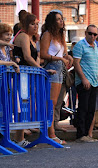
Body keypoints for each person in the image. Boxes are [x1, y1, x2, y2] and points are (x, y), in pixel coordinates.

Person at [13, 12, 56, 146]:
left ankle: (20, 138)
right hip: (22, 75)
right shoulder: (23, 36)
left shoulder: (32, 38)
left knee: (26, 105)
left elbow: (36, 57)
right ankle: (18, 139)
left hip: (29, 75)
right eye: (32, 24)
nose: (36, 27)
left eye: (37, 24)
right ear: (25, 25)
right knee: (22, 105)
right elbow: (27, 57)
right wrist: (41, 69)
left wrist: (39, 67)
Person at [40, 10, 73, 144]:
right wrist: (59, 58)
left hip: (60, 68)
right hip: (52, 68)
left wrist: (66, 56)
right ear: (53, 21)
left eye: (61, 19)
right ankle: (51, 134)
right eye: (58, 19)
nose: (61, 21)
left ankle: (51, 133)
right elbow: (42, 54)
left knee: (55, 102)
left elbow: (62, 52)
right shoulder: (47, 34)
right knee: (51, 103)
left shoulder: (60, 36)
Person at [73, 25, 98, 142]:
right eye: (90, 33)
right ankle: (80, 134)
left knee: (91, 109)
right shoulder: (80, 45)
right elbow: (76, 63)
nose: (93, 36)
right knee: (83, 108)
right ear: (85, 33)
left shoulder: (95, 46)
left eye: (95, 34)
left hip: (93, 81)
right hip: (84, 81)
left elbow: (96, 63)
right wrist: (83, 78)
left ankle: (87, 134)